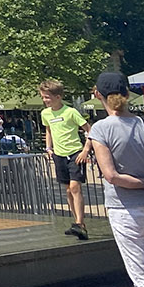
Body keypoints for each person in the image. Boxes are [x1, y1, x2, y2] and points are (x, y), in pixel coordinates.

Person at [83, 72, 144, 287]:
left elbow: (111, 175)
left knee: (143, 282)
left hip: (125, 211)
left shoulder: (101, 129)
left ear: (98, 95)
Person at [40, 79, 91, 240]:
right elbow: (48, 130)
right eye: (43, 97)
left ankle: (79, 222)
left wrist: (85, 150)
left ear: (58, 97)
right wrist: (49, 148)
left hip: (75, 153)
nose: (44, 100)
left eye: (47, 97)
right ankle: (77, 223)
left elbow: (89, 130)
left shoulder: (71, 112)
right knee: (68, 190)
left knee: (76, 187)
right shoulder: (45, 113)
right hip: (59, 155)